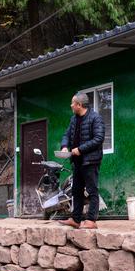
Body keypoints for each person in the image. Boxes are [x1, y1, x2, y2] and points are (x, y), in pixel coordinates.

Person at [59, 91, 105, 229]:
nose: (71, 105)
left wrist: (80, 149)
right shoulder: (74, 119)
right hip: (77, 161)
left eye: (73, 103)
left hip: (90, 160)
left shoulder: (95, 118)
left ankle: (91, 220)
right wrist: (65, 146)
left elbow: (98, 138)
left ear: (79, 105)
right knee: (76, 190)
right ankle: (76, 219)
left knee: (92, 190)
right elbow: (66, 134)